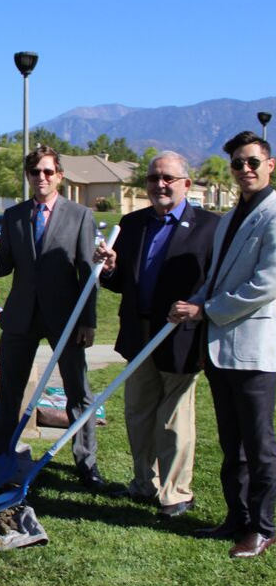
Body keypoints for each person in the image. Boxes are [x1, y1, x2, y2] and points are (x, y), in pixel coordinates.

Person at [0, 145, 108, 490]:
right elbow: (7, 263)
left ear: (59, 175)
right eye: (35, 172)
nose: (41, 177)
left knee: (78, 391)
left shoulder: (79, 215)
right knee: (9, 391)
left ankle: (86, 463)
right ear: (29, 177)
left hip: (66, 317)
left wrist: (88, 321)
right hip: (21, 318)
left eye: (48, 171)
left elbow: (87, 271)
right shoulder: (15, 215)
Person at [170, 130, 276, 558]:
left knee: (259, 444)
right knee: (231, 444)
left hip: (254, 348)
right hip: (220, 349)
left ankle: (264, 527)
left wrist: (206, 312)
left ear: (270, 165)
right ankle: (237, 518)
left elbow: (265, 284)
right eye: (238, 163)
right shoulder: (230, 218)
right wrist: (192, 304)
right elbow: (215, 278)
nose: (245, 169)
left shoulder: (272, 213)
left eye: (252, 161)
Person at [95, 152, 218, 517]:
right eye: (153, 178)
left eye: (167, 178)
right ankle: (142, 484)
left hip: (181, 334)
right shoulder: (132, 224)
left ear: (186, 184)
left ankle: (176, 492)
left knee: (174, 418)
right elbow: (119, 284)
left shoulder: (210, 227)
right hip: (138, 332)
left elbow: (216, 283)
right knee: (138, 413)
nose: (159, 185)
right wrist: (110, 269)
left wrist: (200, 314)